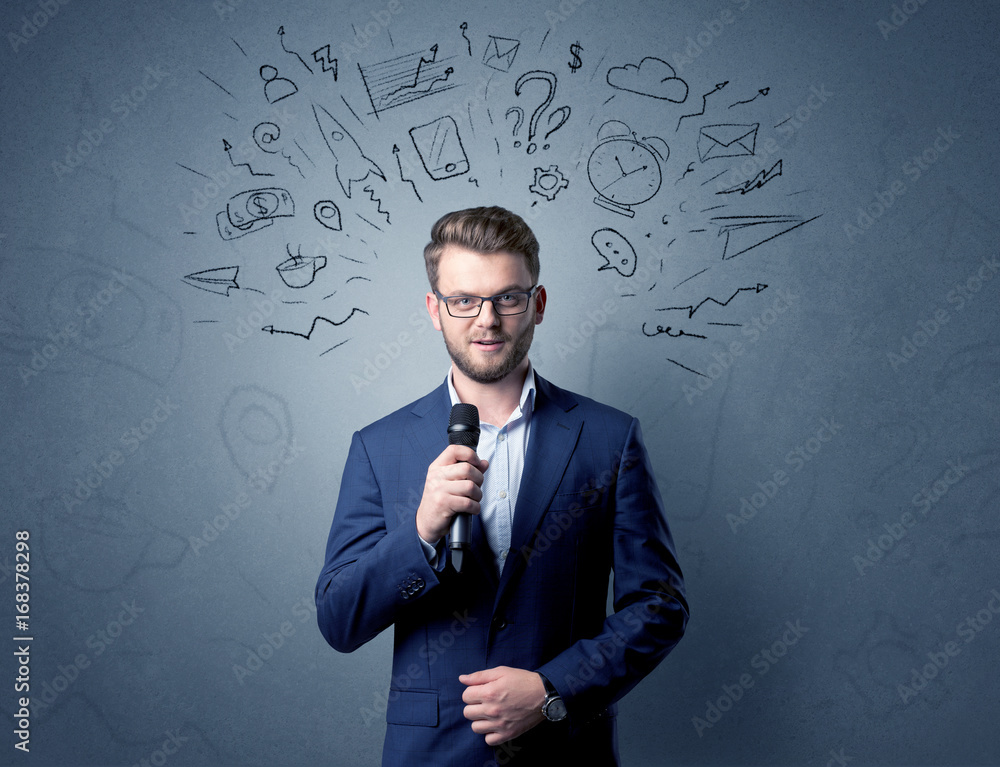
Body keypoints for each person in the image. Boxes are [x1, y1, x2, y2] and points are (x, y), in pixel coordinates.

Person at [315, 206, 688, 766]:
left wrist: (552, 690)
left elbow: (659, 606)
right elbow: (339, 620)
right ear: (435, 310)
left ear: (537, 304)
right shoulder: (378, 446)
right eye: (464, 300)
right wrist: (420, 532)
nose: (486, 320)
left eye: (507, 298)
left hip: (565, 754)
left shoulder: (610, 438)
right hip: (431, 754)